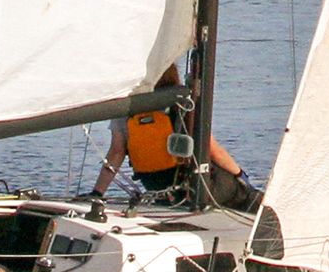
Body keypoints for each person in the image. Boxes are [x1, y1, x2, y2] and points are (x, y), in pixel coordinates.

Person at [93, 66, 256, 209]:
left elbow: (116, 153)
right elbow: (213, 150)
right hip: (197, 188)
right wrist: (241, 177)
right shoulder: (182, 107)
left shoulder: (127, 111)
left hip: (159, 191)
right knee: (252, 198)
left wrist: (97, 193)